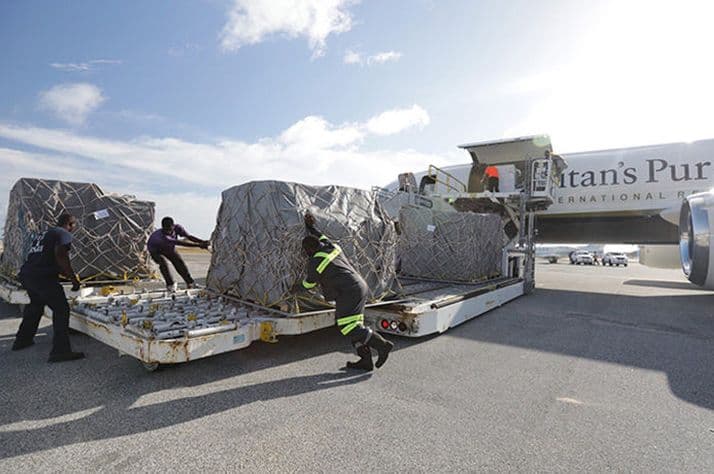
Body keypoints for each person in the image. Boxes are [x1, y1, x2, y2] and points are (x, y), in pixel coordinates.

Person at [298, 212, 393, 371]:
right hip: (358, 286)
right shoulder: (330, 247)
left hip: (349, 291)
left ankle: (382, 345)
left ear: (308, 250)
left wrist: (293, 288)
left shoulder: (315, 261)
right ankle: (365, 361)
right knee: (354, 325)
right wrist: (310, 227)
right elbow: (321, 236)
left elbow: (309, 284)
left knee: (347, 326)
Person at [12, 213, 84, 362]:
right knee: (61, 310)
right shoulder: (63, 233)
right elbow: (61, 255)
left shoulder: (43, 234)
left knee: (35, 306)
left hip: (27, 275)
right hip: (43, 277)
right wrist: (73, 279)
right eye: (73, 226)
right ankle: (60, 351)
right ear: (70, 224)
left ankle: (22, 340)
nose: (73, 229)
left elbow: (40, 255)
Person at [147, 217, 209, 291]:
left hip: (169, 248)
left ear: (173, 226)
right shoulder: (162, 237)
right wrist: (199, 245)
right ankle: (170, 285)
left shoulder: (178, 228)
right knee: (163, 263)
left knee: (179, 263)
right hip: (155, 250)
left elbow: (189, 237)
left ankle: (190, 283)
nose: (168, 232)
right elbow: (181, 243)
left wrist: (202, 242)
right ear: (163, 228)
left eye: (169, 229)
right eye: (165, 230)